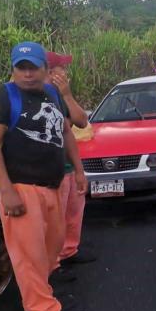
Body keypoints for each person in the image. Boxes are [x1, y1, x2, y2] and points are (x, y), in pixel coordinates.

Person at [0, 42, 88, 311]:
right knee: (29, 255)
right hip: (22, 187)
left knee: (51, 249)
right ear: (13, 69)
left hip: (51, 185)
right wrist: (7, 189)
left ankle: (45, 294)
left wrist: (78, 170)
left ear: (44, 69)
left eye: (33, 68)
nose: (27, 74)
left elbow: (66, 131)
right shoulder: (2, 97)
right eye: (20, 68)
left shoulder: (52, 93)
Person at [46, 52, 96, 267]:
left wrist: (66, 94)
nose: (65, 73)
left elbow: (81, 121)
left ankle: (69, 251)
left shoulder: (59, 95)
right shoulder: (31, 97)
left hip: (68, 166)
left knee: (72, 213)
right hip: (48, 172)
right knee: (53, 221)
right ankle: (53, 263)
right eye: (61, 68)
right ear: (49, 72)